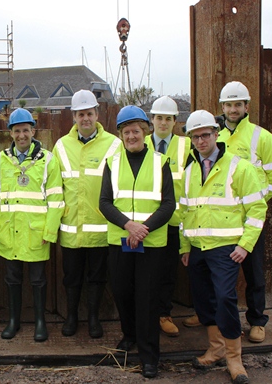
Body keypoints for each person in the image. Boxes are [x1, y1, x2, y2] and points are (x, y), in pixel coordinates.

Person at [179, 109, 268, 384]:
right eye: (196, 137)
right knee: (203, 297)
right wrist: (184, 246)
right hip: (197, 248)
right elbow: (184, 210)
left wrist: (246, 245)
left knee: (225, 298)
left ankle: (234, 358)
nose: (201, 141)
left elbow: (257, 208)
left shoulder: (239, 167)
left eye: (205, 135)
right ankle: (215, 348)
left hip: (226, 248)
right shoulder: (191, 169)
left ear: (216, 135)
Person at [99, 105, 175, 379]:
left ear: (145, 131)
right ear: (120, 135)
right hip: (120, 239)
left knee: (147, 298)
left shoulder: (160, 162)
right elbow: (104, 202)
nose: (131, 136)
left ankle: (149, 355)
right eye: (126, 131)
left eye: (136, 130)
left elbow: (169, 204)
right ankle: (129, 335)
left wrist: (144, 228)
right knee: (121, 291)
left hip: (151, 243)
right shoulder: (112, 163)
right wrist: (128, 225)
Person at [0, 108, 64, 342]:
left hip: (36, 231)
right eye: (17, 131)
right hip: (8, 231)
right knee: (12, 278)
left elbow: (56, 199)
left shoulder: (48, 159)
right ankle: (13, 320)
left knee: (38, 279)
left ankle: (40, 322)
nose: (22, 135)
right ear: (10, 133)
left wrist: (50, 232)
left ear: (33, 131)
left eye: (26, 130)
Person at [218, 81, 272, 343]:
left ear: (246, 106)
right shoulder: (214, 135)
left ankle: (257, 320)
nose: (233, 109)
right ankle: (215, 317)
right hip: (221, 219)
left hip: (250, 218)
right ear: (222, 107)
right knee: (219, 270)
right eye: (229, 104)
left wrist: (255, 201)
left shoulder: (262, 137)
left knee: (254, 271)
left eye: (238, 104)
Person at [53, 90, 121, 338]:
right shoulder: (61, 146)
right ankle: (72, 317)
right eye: (81, 114)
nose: (86, 119)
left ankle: (93, 319)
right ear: (74, 116)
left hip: (100, 227)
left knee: (97, 277)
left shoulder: (114, 145)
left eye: (89, 113)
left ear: (97, 114)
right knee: (71, 278)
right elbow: (54, 186)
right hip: (71, 227)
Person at [144, 96, 190, 337]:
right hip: (146, 222)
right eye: (159, 118)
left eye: (168, 118)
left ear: (175, 121)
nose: (163, 123)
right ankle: (145, 315)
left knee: (167, 274)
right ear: (152, 120)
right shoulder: (139, 143)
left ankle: (164, 314)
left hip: (173, 222)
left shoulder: (186, 146)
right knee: (145, 273)